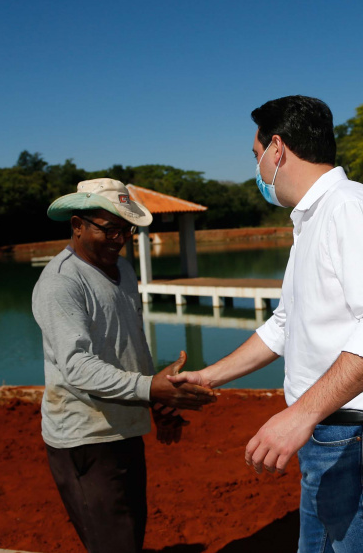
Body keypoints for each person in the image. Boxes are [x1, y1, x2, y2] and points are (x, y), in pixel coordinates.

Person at [169, 95, 363, 552]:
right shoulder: (311, 220)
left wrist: (299, 415)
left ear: (277, 149)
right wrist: (207, 377)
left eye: (256, 157)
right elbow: (287, 325)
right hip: (330, 434)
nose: (257, 170)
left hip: (362, 436)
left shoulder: (351, 209)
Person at [32, 178, 217, 553]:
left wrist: (157, 403)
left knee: (130, 530)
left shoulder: (123, 271)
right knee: (113, 542)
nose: (119, 239)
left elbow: (131, 342)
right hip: (86, 437)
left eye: (126, 230)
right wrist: (150, 388)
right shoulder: (61, 284)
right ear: (77, 225)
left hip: (123, 430)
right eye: (109, 229)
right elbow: (77, 367)